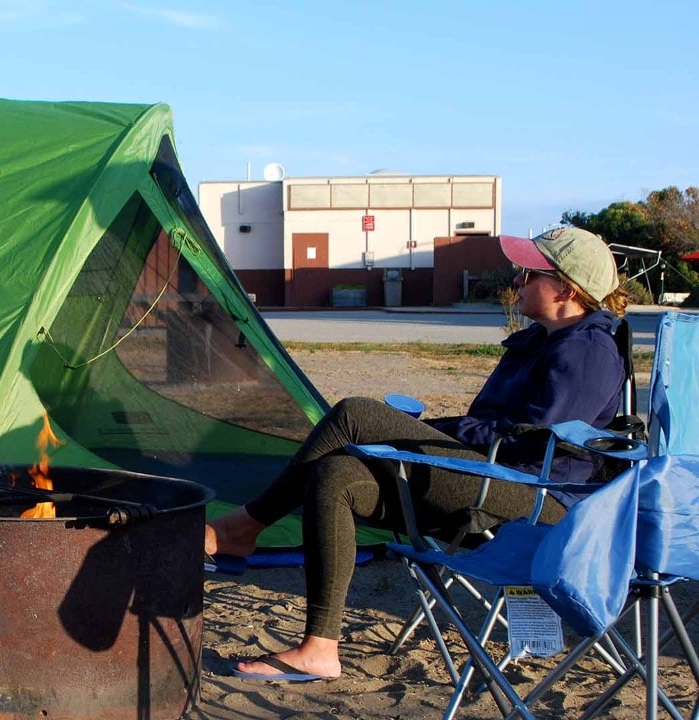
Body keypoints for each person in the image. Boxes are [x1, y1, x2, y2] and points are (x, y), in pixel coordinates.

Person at [206, 227, 630, 682]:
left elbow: (535, 441)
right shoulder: (537, 342)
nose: (518, 282)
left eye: (529, 272)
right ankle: (320, 648)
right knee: (337, 473)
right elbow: (494, 429)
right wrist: (434, 434)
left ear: (565, 287)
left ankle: (242, 528)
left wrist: (432, 433)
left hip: (539, 500)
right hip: (493, 478)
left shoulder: (590, 351)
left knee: (355, 414)